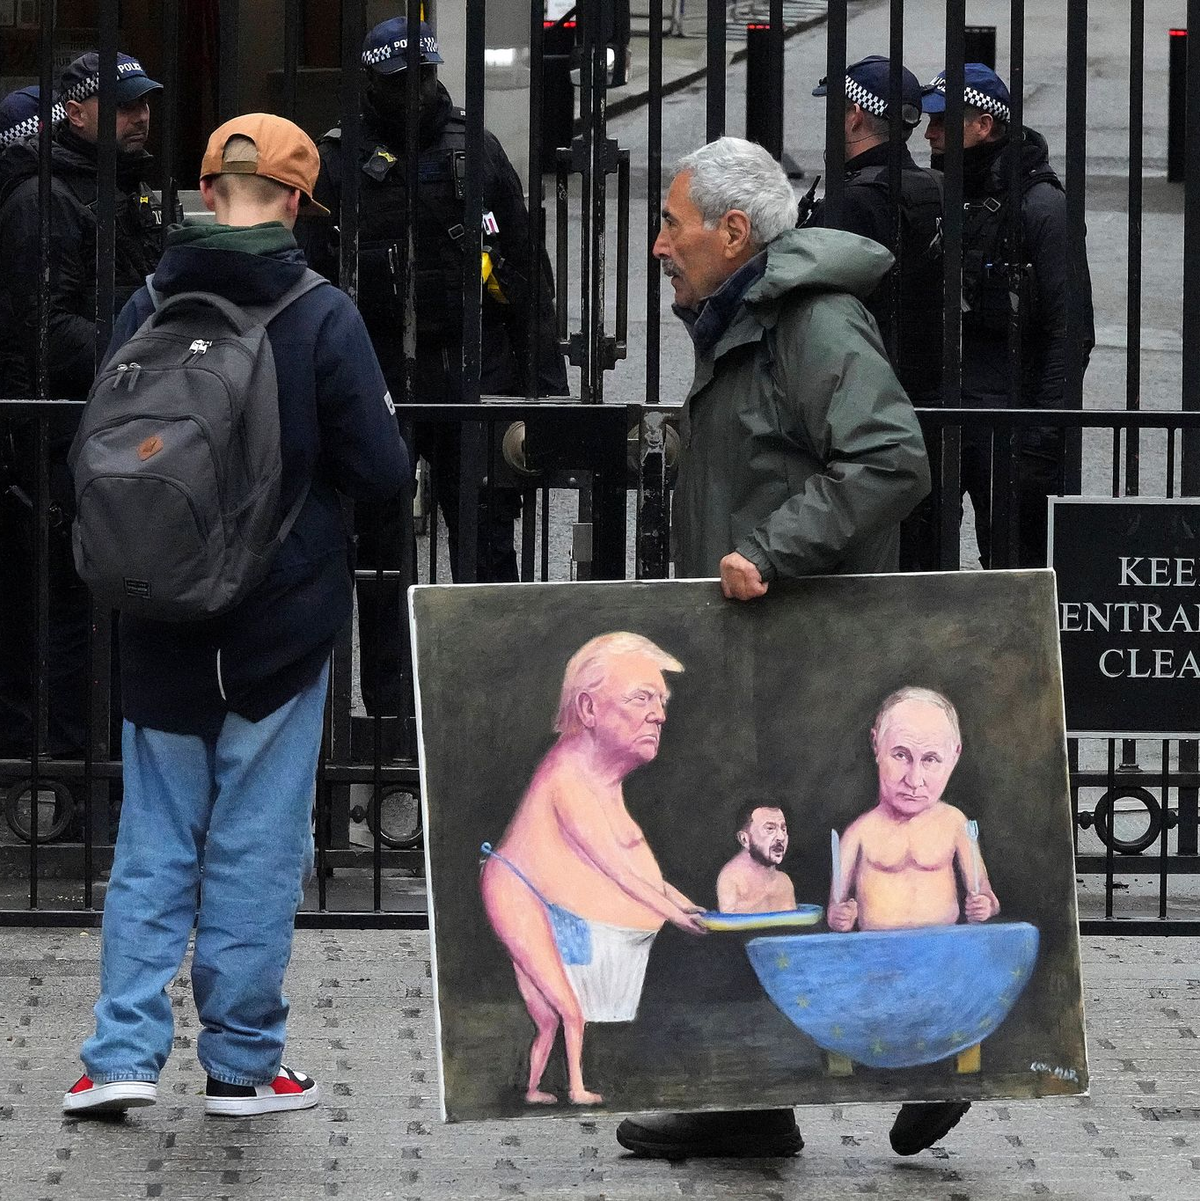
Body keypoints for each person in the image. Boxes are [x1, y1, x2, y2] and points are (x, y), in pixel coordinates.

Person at [61, 113, 410, 1118]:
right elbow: (381, 471)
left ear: (207, 190)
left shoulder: (147, 301)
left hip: (160, 615)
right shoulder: (320, 313)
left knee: (153, 842)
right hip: (277, 625)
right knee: (256, 844)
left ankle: (118, 1055)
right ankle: (244, 1065)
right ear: (298, 201)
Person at [617, 136, 937, 1161]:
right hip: (757, 645)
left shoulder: (812, 323)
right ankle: (747, 1101)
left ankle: (941, 1055)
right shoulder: (745, 324)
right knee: (758, 863)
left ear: (734, 231)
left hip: (812, 641)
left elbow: (890, 460)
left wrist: (769, 546)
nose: (660, 244)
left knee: (857, 856)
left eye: (673, 223)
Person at [301, 16, 567, 715]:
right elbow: (308, 280)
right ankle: (391, 713)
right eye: (399, 83)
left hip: (474, 373)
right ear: (371, 84)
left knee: (484, 549)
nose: (416, 94)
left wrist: (544, 394)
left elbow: (526, 275)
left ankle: (498, 702)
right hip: (378, 377)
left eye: (424, 78)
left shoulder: (474, 150)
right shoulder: (335, 162)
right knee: (381, 556)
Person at [0, 54, 165, 759]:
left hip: (116, 421)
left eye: (144, 103)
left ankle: (98, 756)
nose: (141, 116)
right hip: (63, 426)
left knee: (115, 598)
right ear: (75, 111)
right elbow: (45, 328)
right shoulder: (43, 198)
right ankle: (73, 769)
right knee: (70, 604)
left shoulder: (118, 188)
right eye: (124, 105)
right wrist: (145, 351)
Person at [480, 632, 707, 1108]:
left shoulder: (604, 778)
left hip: (555, 910)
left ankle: (537, 1087)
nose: (660, 714)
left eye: (661, 700)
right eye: (641, 698)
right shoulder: (568, 777)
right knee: (567, 1010)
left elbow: (632, 867)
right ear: (588, 709)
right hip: (517, 896)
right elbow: (616, 869)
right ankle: (574, 1086)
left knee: (550, 1015)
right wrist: (673, 913)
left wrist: (684, 904)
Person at [922, 63, 1094, 568]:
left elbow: (1070, 330)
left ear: (983, 125)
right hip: (943, 414)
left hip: (1010, 424)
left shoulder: (1041, 206)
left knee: (1015, 572)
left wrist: (1042, 438)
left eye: (943, 121)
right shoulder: (941, 195)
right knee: (925, 571)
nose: (930, 132)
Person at [807, 55, 944, 406]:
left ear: (854, 115)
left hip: (864, 392)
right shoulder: (936, 186)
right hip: (932, 386)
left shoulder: (854, 200)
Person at [828, 687, 999, 933]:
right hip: (878, 957)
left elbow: (986, 895)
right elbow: (834, 908)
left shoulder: (954, 824)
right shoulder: (859, 833)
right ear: (876, 745)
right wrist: (839, 917)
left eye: (930, 759)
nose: (914, 780)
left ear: (954, 755)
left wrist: (984, 906)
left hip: (942, 954)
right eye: (900, 755)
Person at [715, 801, 796, 914]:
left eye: (783, 829)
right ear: (744, 839)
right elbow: (731, 927)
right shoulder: (732, 880)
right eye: (770, 829)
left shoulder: (784, 883)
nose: (781, 837)